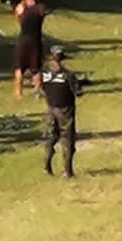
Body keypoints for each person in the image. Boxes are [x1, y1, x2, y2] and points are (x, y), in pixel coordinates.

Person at [39, 45, 83, 178]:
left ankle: (46, 167)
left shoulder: (44, 73)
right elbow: (78, 92)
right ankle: (67, 171)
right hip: (65, 111)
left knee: (50, 138)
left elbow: (42, 89)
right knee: (67, 140)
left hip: (50, 109)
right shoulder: (68, 75)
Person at [13, 0, 47, 98]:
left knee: (19, 67)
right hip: (35, 40)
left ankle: (18, 92)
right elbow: (43, 13)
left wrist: (21, 12)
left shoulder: (21, 8)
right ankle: (38, 90)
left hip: (23, 39)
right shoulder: (40, 8)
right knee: (35, 67)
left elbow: (19, 21)